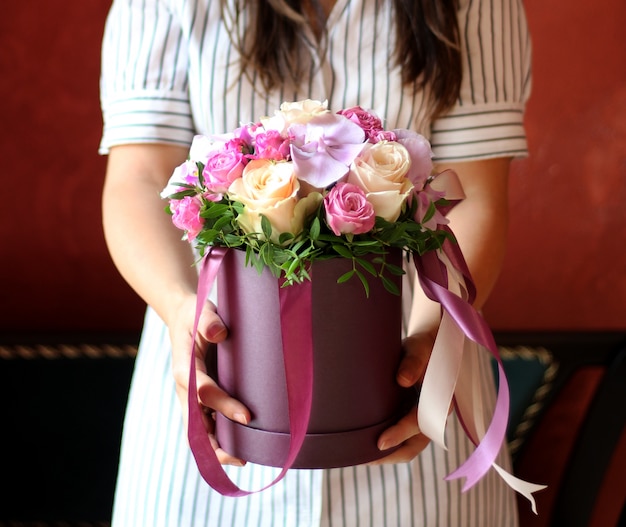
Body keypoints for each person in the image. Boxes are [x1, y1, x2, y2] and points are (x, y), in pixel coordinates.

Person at [99, 0, 532, 525]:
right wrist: (178, 306)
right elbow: (140, 178)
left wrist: (432, 339)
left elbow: (474, 193)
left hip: (415, 405)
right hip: (217, 383)